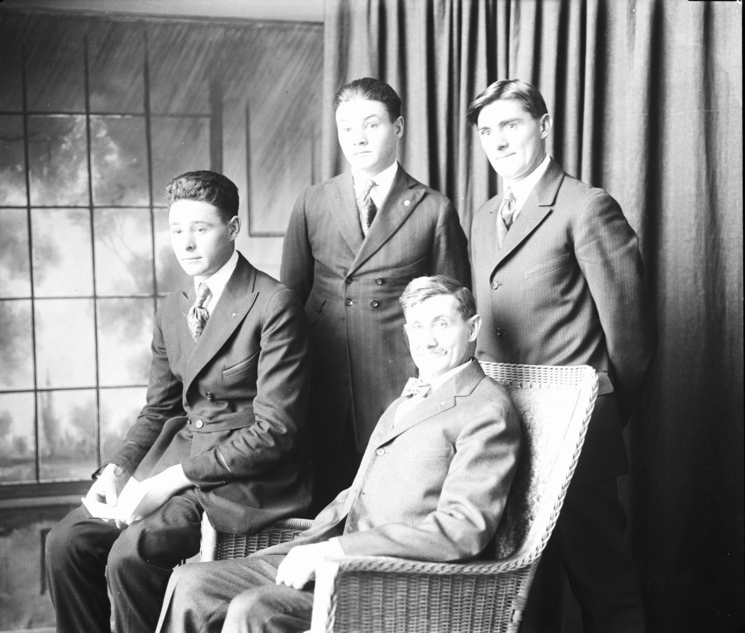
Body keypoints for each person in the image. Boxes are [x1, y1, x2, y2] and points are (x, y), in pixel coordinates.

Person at [155, 275, 521, 633]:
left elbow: (461, 529)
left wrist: (340, 551)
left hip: (395, 579)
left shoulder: (486, 410)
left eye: (442, 324)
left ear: (472, 328)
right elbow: (358, 493)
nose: (428, 340)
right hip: (333, 553)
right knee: (192, 583)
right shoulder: (407, 399)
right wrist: (311, 546)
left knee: (256, 609)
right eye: (418, 327)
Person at [45, 170, 312, 633]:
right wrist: (118, 470)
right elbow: (160, 408)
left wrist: (172, 479)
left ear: (232, 228)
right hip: (175, 464)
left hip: (242, 479)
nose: (186, 244)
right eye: (176, 230)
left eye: (200, 229)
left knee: (130, 556)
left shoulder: (273, 303)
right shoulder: (173, 306)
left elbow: (275, 431)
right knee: (65, 543)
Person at [467, 79, 656, 633]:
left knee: (604, 585)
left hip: (575, 434)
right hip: (502, 429)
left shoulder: (586, 206)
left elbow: (632, 338)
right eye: (487, 131)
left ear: (544, 125)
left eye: (511, 125)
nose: (499, 141)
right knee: (504, 592)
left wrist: (596, 417)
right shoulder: (483, 216)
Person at [281, 77, 471, 510]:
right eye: (347, 128)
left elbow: (454, 317)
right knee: (322, 507)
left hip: (396, 385)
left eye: (371, 124)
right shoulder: (312, 202)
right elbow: (289, 304)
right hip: (323, 383)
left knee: (390, 507)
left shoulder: (432, 209)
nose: (358, 138)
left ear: (398, 128)